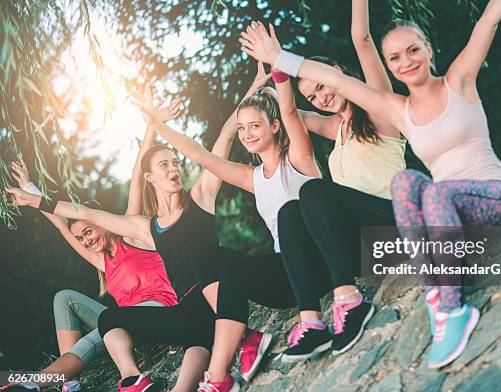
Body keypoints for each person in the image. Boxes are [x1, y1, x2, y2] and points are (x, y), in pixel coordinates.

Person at [239, 0, 501, 368]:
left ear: (338, 75)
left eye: (323, 85)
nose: (321, 96)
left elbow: (361, 38)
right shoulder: (333, 130)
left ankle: (350, 301)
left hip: (396, 222)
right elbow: (288, 117)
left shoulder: (380, 112)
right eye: (313, 95)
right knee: (292, 210)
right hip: (364, 248)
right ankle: (312, 322)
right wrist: (276, 71)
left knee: (313, 192)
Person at [6, 66, 272, 391]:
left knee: (194, 327)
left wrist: (255, 88)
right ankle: (84, 383)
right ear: (152, 178)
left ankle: (247, 340)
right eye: (164, 164)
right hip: (184, 317)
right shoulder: (146, 229)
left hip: (206, 301)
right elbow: (81, 212)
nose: (174, 168)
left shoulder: (198, 200)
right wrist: (36, 200)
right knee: (113, 318)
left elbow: (224, 138)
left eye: (176, 162)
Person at [132, 67, 343, 391]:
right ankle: (236, 357)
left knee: (287, 215)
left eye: (254, 126)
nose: (246, 133)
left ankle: (216, 378)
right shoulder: (252, 177)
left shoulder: (298, 156)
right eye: (243, 128)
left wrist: (277, 73)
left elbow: (287, 111)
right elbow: (200, 154)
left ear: (275, 127)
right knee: (208, 258)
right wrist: (157, 125)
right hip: (290, 279)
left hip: (324, 260)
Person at [4, 120, 177, 392]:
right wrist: (29, 188)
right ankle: (68, 380)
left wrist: (152, 125)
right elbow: (62, 224)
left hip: (161, 311)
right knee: (65, 298)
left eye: (88, 231)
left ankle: (37, 382)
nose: (86, 240)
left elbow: (135, 177)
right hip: (124, 323)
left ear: (100, 221)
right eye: (82, 238)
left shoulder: (132, 235)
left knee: (114, 318)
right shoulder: (102, 262)